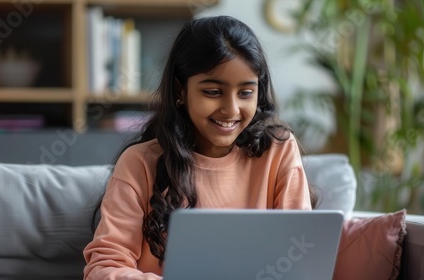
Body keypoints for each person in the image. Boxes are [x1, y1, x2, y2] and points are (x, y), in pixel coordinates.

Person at [83, 15, 317, 280]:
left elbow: (300, 257)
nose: (231, 110)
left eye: (245, 93)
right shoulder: (139, 163)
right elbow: (104, 268)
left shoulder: (278, 150)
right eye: (213, 92)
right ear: (180, 90)